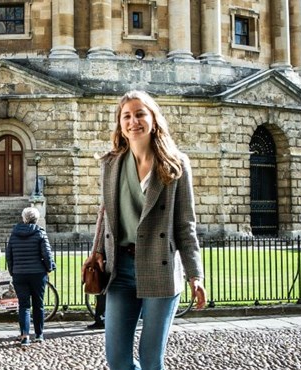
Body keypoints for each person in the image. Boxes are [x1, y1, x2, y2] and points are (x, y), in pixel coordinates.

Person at [84, 90, 207, 369]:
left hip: (160, 269)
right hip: (120, 269)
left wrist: (194, 275)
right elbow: (105, 216)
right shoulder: (110, 164)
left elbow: (185, 226)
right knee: (117, 360)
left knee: (152, 360)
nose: (133, 121)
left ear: (153, 119)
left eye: (140, 114)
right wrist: (99, 251)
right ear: (120, 124)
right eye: (126, 116)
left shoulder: (175, 165)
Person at [6, 207, 56, 346]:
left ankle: (25, 336)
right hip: (37, 274)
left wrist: (13, 271)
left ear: (24, 218)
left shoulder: (14, 234)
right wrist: (49, 268)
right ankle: (39, 335)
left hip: (19, 274)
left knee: (24, 306)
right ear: (36, 219)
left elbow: (9, 255)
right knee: (38, 304)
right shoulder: (40, 233)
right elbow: (47, 254)